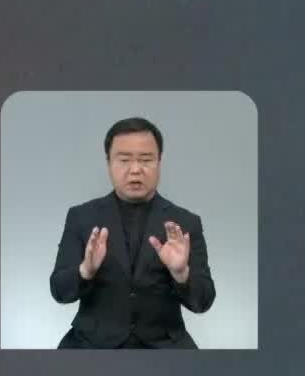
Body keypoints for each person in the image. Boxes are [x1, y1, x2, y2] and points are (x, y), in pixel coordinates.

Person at [49, 116, 216, 348]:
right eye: (124, 159)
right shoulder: (81, 217)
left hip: (165, 346)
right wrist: (85, 271)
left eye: (146, 159)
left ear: (159, 161)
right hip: (91, 344)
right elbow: (59, 291)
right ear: (108, 163)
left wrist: (181, 274)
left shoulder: (185, 223)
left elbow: (203, 302)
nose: (135, 169)